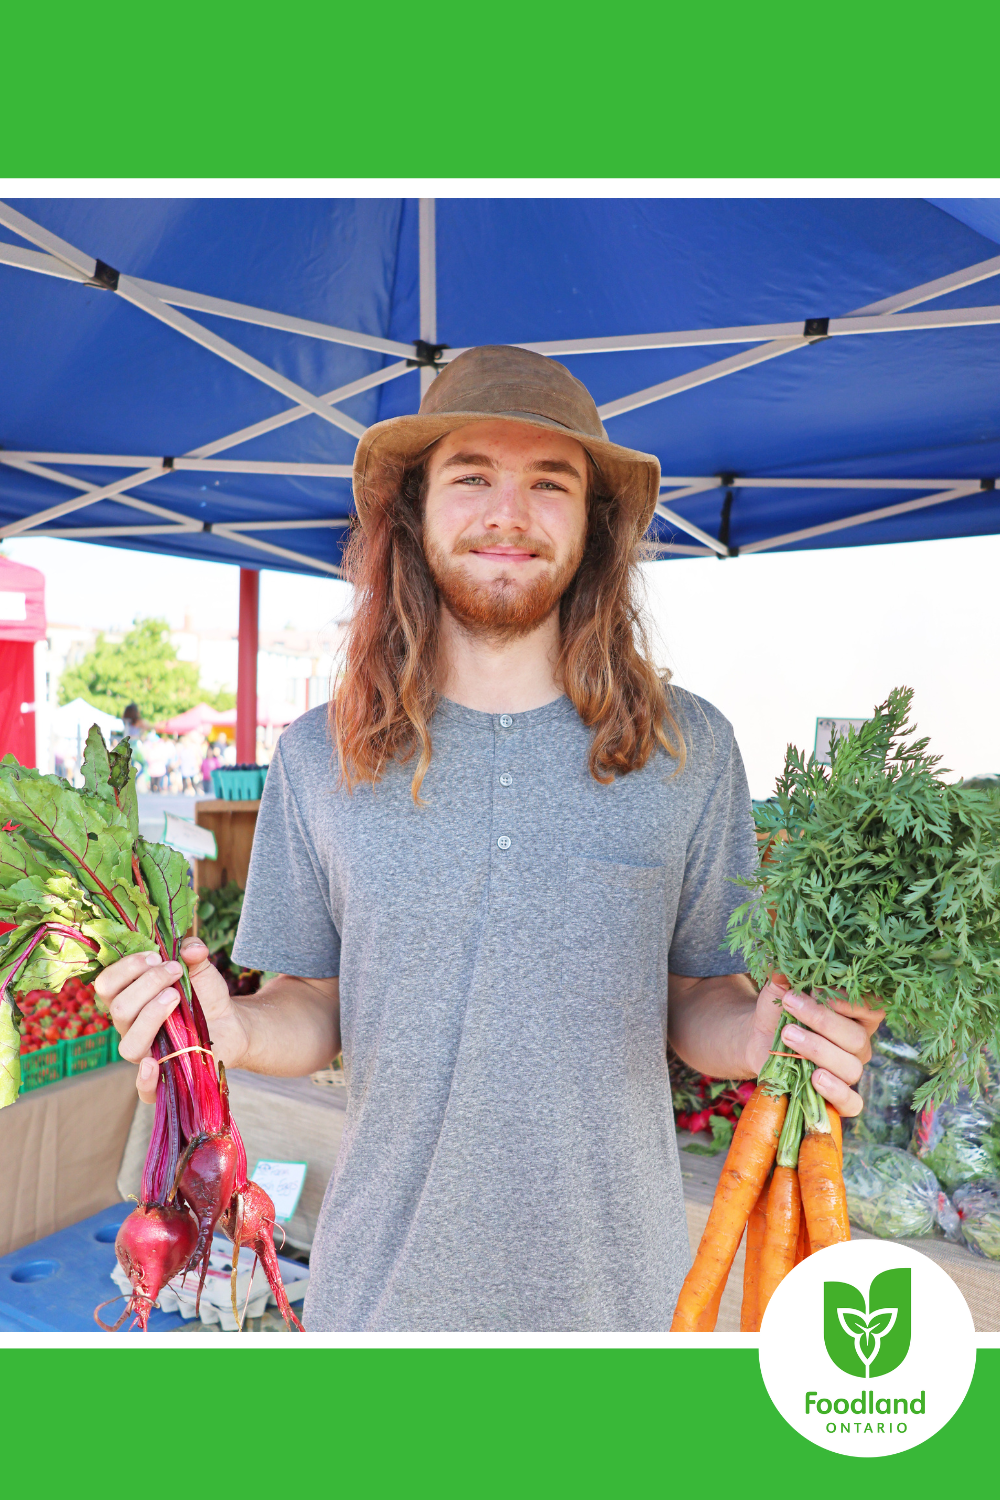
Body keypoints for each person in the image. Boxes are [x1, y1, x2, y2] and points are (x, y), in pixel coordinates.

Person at [96, 346, 881, 1333]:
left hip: (623, 1306)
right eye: (471, 478)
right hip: (383, 1304)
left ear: (592, 524)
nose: (507, 514)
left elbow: (700, 1002)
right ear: (412, 513)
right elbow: (311, 1006)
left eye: (548, 484)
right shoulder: (317, 755)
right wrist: (236, 1029)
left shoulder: (691, 747)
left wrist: (771, 1033)